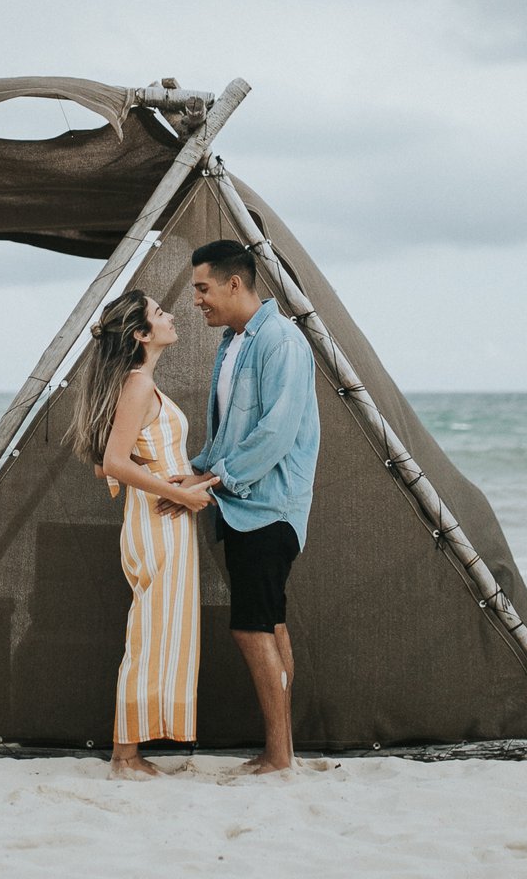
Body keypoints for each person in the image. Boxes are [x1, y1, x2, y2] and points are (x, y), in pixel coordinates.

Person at [165, 239, 320, 775]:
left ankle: (278, 756)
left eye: (202, 288)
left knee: (252, 628)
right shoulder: (232, 344)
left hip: (270, 508)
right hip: (240, 505)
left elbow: (274, 434)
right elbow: (228, 434)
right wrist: (194, 470)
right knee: (270, 624)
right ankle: (283, 751)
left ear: (235, 283)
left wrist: (212, 481)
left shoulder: (282, 342)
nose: (196, 300)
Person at [70, 288, 219, 778]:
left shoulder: (138, 385)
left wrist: (176, 481)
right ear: (140, 334)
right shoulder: (137, 386)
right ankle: (125, 756)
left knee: (154, 635)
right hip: (159, 525)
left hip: (154, 521)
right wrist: (182, 495)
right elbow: (113, 463)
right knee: (149, 637)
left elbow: (106, 464)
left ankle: (129, 750)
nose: (171, 316)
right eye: (159, 313)